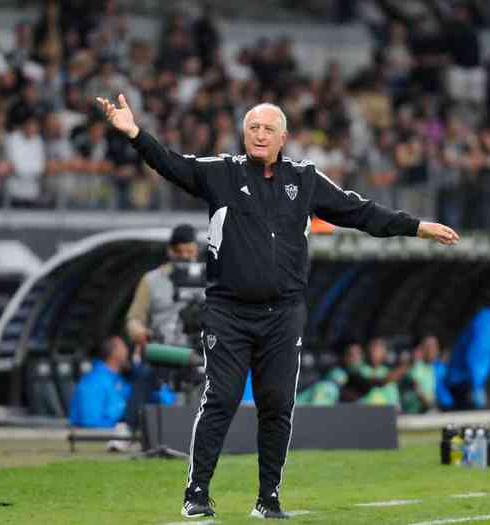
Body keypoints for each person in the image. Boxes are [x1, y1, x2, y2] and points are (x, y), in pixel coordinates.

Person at [97, 93, 459, 519]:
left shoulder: (304, 179)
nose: (260, 134)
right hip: (228, 310)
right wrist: (135, 134)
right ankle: (196, 493)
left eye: (269, 129)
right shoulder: (221, 173)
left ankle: (268, 499)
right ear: (244, 134)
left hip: (284, 314)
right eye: (253, 127)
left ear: (283, 137)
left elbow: (358, 212)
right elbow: (172, 164)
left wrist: (417, 227)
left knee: (276, 404)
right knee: (222, 397)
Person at [126, 223, 201, 351]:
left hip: (197, 354)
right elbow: (134, 319)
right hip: (163, 352)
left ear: (196, 251)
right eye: (179, 251)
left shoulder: (207, 279)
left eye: (189, 251)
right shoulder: (152, 280)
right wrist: (141, 333)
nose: (184, 256)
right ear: (170, 251)